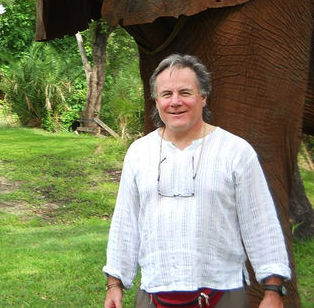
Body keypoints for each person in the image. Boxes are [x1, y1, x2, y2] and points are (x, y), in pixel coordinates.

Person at [103, 54, 291, 308]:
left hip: (223, 294)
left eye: (185, 92)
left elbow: (261, 222)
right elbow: (125, 222)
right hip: (154, 292)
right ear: (156, 101)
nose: (175, 102)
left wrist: (272, 289)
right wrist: (115, 283)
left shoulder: (236, 151)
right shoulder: (139, 153)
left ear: (203, 97)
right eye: (167, 94)